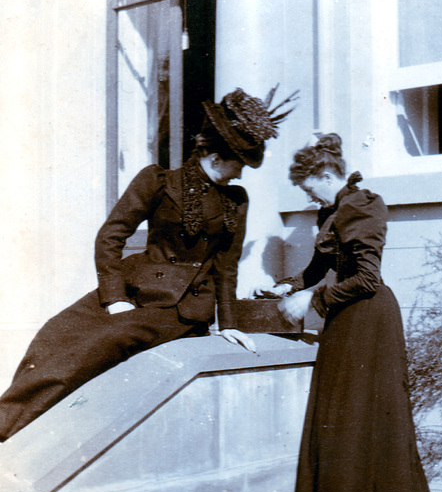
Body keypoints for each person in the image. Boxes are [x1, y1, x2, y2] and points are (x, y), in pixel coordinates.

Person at [0, 86, 297, 441]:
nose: (241, 175)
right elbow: (110, 236)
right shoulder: (157, 181)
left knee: (100, 344)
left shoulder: (237, 200)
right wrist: (114, 298)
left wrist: (229, 322)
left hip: (181, 308)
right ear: (217, 156)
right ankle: (11, 421)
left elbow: (226, 266)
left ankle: (8, 428)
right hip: (134, 289)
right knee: (58, 331)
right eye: (239, 164)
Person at [271, 133, 440, 492]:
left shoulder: (361, 206)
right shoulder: (333, 211)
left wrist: (312, 298)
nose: (310, 199)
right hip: (347, 318)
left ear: (327, 174)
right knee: (343, 415)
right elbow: (318, 268)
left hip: (370, 318)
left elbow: (367, 279)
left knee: (369, 416)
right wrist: (287, 286)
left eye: (311, 189)